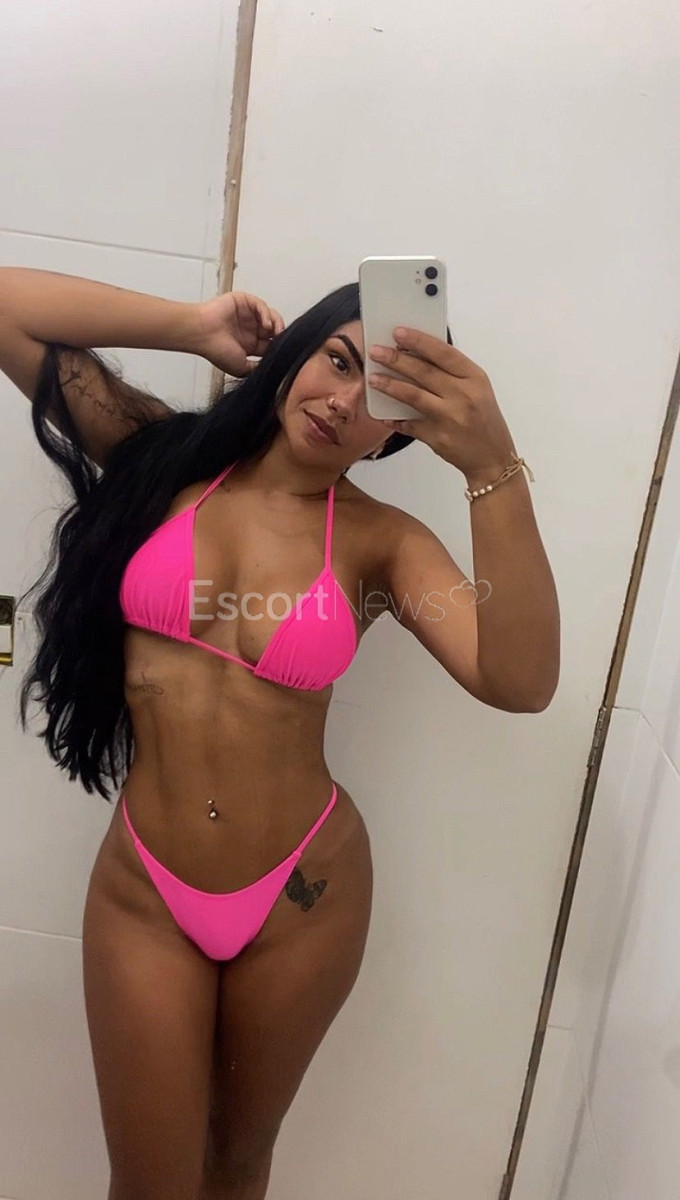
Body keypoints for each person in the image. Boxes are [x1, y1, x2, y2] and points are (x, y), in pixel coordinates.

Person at [0, 268, 559, 1200]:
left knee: (236, 1166)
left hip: (304, 898)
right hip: (146, 894)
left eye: (378, 397)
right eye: (336, 360)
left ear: (399, 433)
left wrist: (490, 465)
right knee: (147, 1184)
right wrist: (191, 326)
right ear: (297, 353)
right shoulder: (158, 458)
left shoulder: (383, 546)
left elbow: (520, 680)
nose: (342, 401)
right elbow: (7, 308)